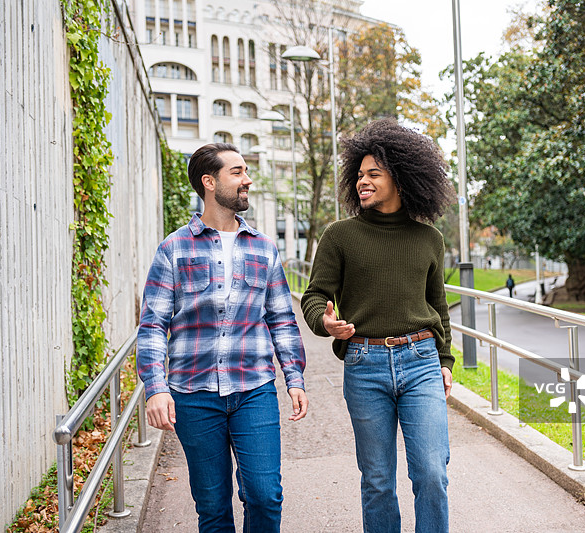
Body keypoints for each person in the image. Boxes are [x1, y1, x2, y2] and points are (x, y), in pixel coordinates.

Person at [137, 143, 308, 533]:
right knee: (213, 507)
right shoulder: (174, 248)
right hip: (194, 395)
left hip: (254, 390)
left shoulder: (264, 248)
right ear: (209, 182)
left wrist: (294, 378)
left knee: (265, 495)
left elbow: (281, 318)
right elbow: (152, 324)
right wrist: (156, 388)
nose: (247, 179)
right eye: (237, 172)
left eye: (246, 171)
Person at [301, 119, 455, 533]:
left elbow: (437, 306)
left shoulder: (429, 239)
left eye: (373, 174)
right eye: (359, 174)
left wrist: (446, 361)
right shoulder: (340, 236)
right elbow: (314, 297)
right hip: (364, 364)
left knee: (432, 475)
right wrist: (325, 323)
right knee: (378, 481)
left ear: (400, 179)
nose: (362, 181)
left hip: (421, 360)